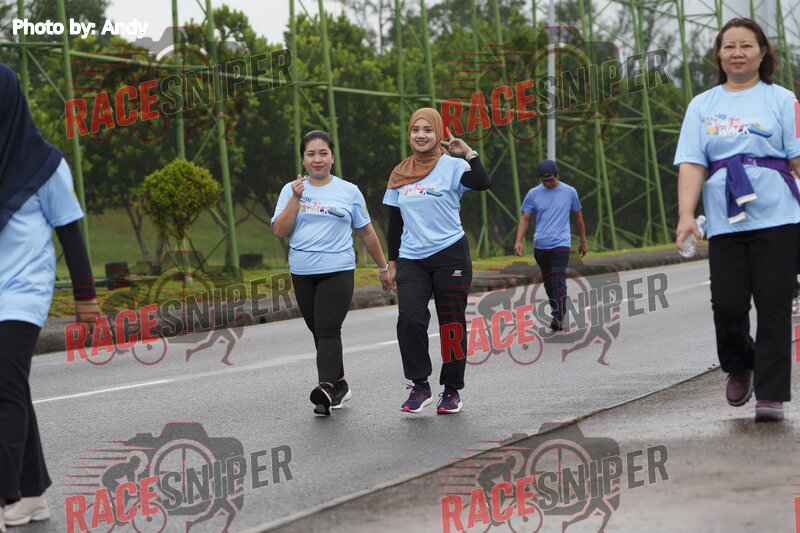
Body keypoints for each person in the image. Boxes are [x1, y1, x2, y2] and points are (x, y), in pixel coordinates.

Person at [674, 18, 800, 422]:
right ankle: (740, 364)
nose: (738, 53)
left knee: (774, 305)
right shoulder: (702, 105)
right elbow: (692, 164)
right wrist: (686, 216)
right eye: (729, 46)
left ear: (763, 53)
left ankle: (771, 394)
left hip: (779, 217)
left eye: (746, 45)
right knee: (727, 305)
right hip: (726, 220)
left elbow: (798, 159)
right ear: (718, 55)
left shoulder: (783, 100)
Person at [0, 62, 100, 529]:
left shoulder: (45, 165)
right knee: (11, 388)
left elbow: (70, 232)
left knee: (3, 387)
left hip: (23, 294)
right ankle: (31, 494)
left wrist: (86, 298)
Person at [272, 130, 391, 416]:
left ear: (333, 157)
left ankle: (324, 387)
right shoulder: (291, 190)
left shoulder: (348, 191)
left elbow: (366, 231)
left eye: (323, 153)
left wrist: (383, 268)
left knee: (327, 328)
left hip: (338, 270)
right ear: (303, 158)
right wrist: (296, 198)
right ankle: (340, 384)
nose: (317, 159)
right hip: (302, 272)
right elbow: (280, 230)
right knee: (319, 330)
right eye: (311, 154)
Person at [384, 107, 490, 414]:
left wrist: (468, 152)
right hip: (412, 258)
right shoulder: (400, 172)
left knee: (451, 322)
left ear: (439, 133)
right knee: (410, 319)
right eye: (415, 129)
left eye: (428, 130)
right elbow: (394, 222)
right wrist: (392, 263)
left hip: (450, 254)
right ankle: (420, 385)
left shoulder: (453, 166)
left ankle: (452, 390)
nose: (421, 135)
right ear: (409, 133)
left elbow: (482, 182)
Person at [514, 160, 587, 331]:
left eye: (551, 180)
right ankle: (556, 310)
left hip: (561, 243)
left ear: (557, 174)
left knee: (558, 278)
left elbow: (578, 216)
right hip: (540, 245)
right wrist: (518, 240)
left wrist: (583, 241)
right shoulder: (533, 194)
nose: (548, 183)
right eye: (544, 181)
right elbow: (525, 218)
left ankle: (558, 317)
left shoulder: (569, 192)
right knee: (548, 282)